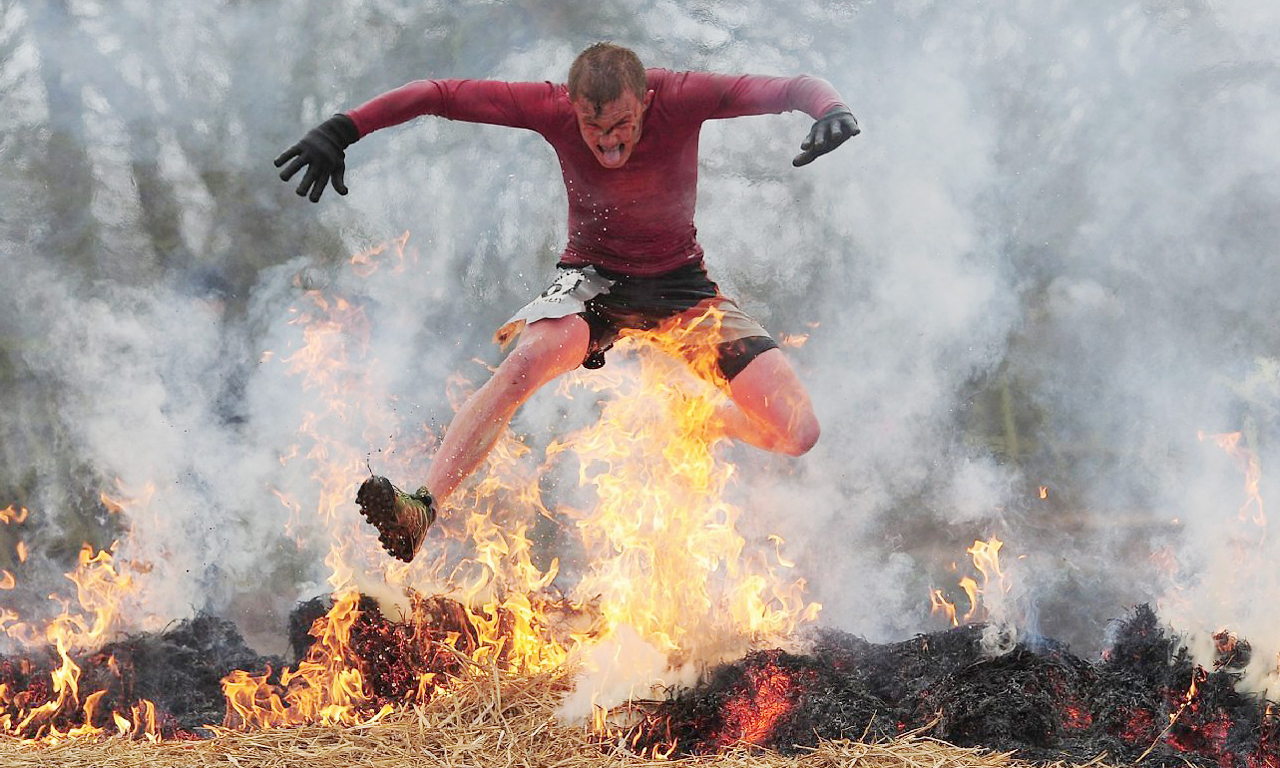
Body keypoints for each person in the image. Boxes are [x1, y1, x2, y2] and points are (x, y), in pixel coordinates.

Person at [276, 43, 859, 562]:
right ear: (573, 109)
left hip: (682, 288)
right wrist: (344, 127)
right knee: (526, 361)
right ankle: (422, 508)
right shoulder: (550, 107)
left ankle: (701, 421)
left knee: (797, 431)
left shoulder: (682, 95)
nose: (608, 142)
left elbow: (788, 88)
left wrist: (827, 107)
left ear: (646, 101)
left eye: (623, 125)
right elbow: (439, 95)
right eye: (592, 127)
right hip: (595, 282)